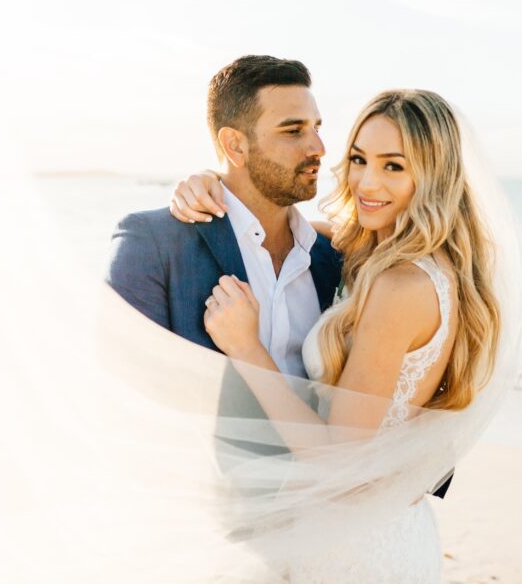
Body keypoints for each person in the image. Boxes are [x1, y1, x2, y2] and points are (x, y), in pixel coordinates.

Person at [170, 89, 501, 583]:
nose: (368, 182)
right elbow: (287, 227)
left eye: (394, 166)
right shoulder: (390, 255)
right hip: (382, 530)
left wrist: (246, 348)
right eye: (359, 159)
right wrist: (214, 182)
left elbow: (335, 456)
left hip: (357, 555)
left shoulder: (399, 286)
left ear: (434, 177)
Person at [106, 55, 453, 495]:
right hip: (209, 518)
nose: (319, 148)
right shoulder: (154, 242)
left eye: (317, 127)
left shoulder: (341, 256)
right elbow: (115, 398)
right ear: (235, 146)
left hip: (333, 514)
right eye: (294, 131)